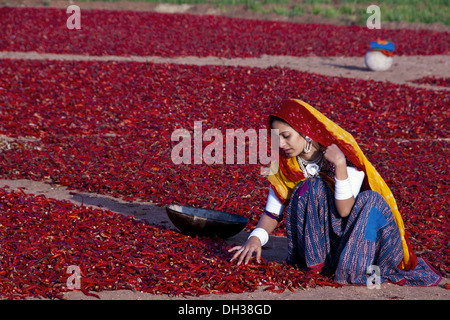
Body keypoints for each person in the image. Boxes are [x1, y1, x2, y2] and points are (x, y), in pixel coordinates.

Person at [229, 98, 441, 286]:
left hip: (358, 236)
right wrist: (256, 238)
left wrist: (339, 166)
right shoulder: (285, 165)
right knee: (310, 187)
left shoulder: (343, 152)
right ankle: (318, 264)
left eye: (286, 136)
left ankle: (357, 268)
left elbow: (345, 210)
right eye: (277, 138)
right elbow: (272, 212)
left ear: (305, 131)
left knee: (372, 200)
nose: (281, 144)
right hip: (326, 246)